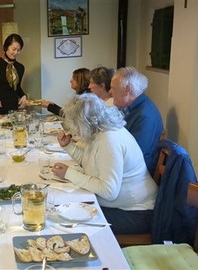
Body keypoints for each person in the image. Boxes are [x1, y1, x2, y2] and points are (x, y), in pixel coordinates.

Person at [51, 94, 158, 235]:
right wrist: (68, 146)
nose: (74, 130)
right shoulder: (101, 131)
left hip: (135, 212)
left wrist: (69, 174)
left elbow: (108, 191)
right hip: (122, 206)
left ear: (85, 123)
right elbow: (90, 161)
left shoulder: (109, 139)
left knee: (66, 223)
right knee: (59, 210)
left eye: (75, 125)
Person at [109, 66, 164, 175]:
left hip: (137, 176)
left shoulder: (145, 115)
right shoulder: (132, 108)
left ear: (127, 90)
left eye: (113, 88)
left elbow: (134, 156)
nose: (110, 92)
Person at [0, 33, 27, 114]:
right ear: (6, 47)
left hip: (12, 105)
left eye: (18, 50)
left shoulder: (20, 67)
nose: (16, 52)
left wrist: (23, 95)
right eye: (13, 49)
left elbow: (17, 87)